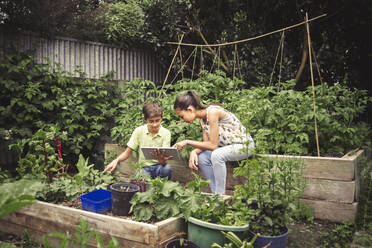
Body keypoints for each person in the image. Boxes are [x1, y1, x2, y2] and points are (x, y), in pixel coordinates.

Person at [173, 90, 254, 195]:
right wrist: (194, 152)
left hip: (244, 146)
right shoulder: (202, 120)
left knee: (216, 155)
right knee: (202, 158)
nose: (182, 120)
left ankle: (220, 197)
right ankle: (215, 192)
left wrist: (187, 142)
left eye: (181, 116)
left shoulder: (212, 112)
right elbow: (207, 144)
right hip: (228, 148)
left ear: (189, 110)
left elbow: (213, 145)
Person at [103, 101, 173, 179]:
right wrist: (116, 161)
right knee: (140, 179)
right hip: (144, 168)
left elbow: (164, 161)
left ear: (162, 117)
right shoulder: (139, 131)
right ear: (145, 119)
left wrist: (162, 160)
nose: (154, 124)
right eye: (151, 121)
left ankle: (162, 189)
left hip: (160, 166)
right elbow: (127, 152)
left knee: (167, 168)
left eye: (157, 120)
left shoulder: (166, 133)